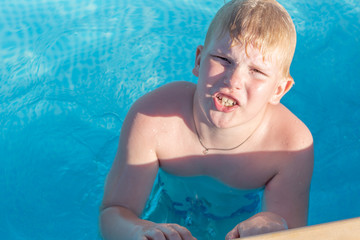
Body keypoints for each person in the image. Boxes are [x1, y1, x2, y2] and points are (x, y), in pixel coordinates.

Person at [99, 0, 314, 239]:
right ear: (199, 61)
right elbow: (114, 212)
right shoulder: (153, 118)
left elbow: (293, 230)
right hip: (167, 208)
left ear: (279, 90)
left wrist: (272, 221)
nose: (233, 80)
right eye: (224, 59)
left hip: (239, 221)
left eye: (257, 72)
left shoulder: (289, 146)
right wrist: (140, 231)